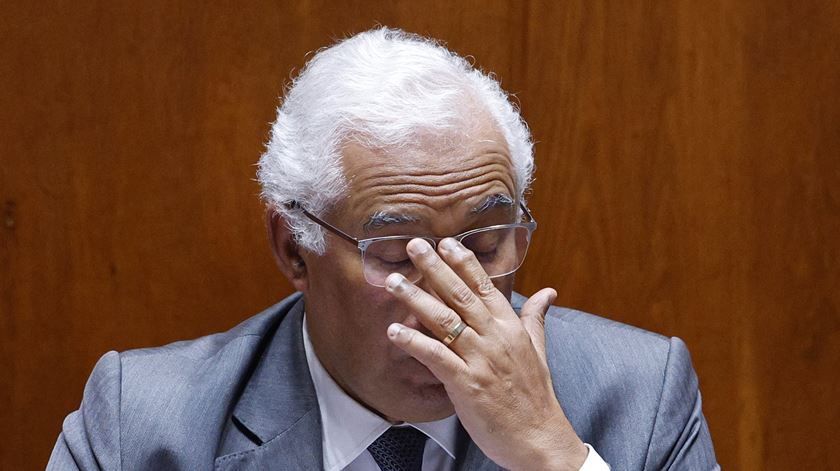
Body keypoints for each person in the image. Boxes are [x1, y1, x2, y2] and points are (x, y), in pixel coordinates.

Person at [48, 28, 718, 470]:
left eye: (484, 245)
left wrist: (553, 456)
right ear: (294, 249)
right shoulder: (139, 425)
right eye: (399, 256)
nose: (450, 303)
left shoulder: (639, 395)